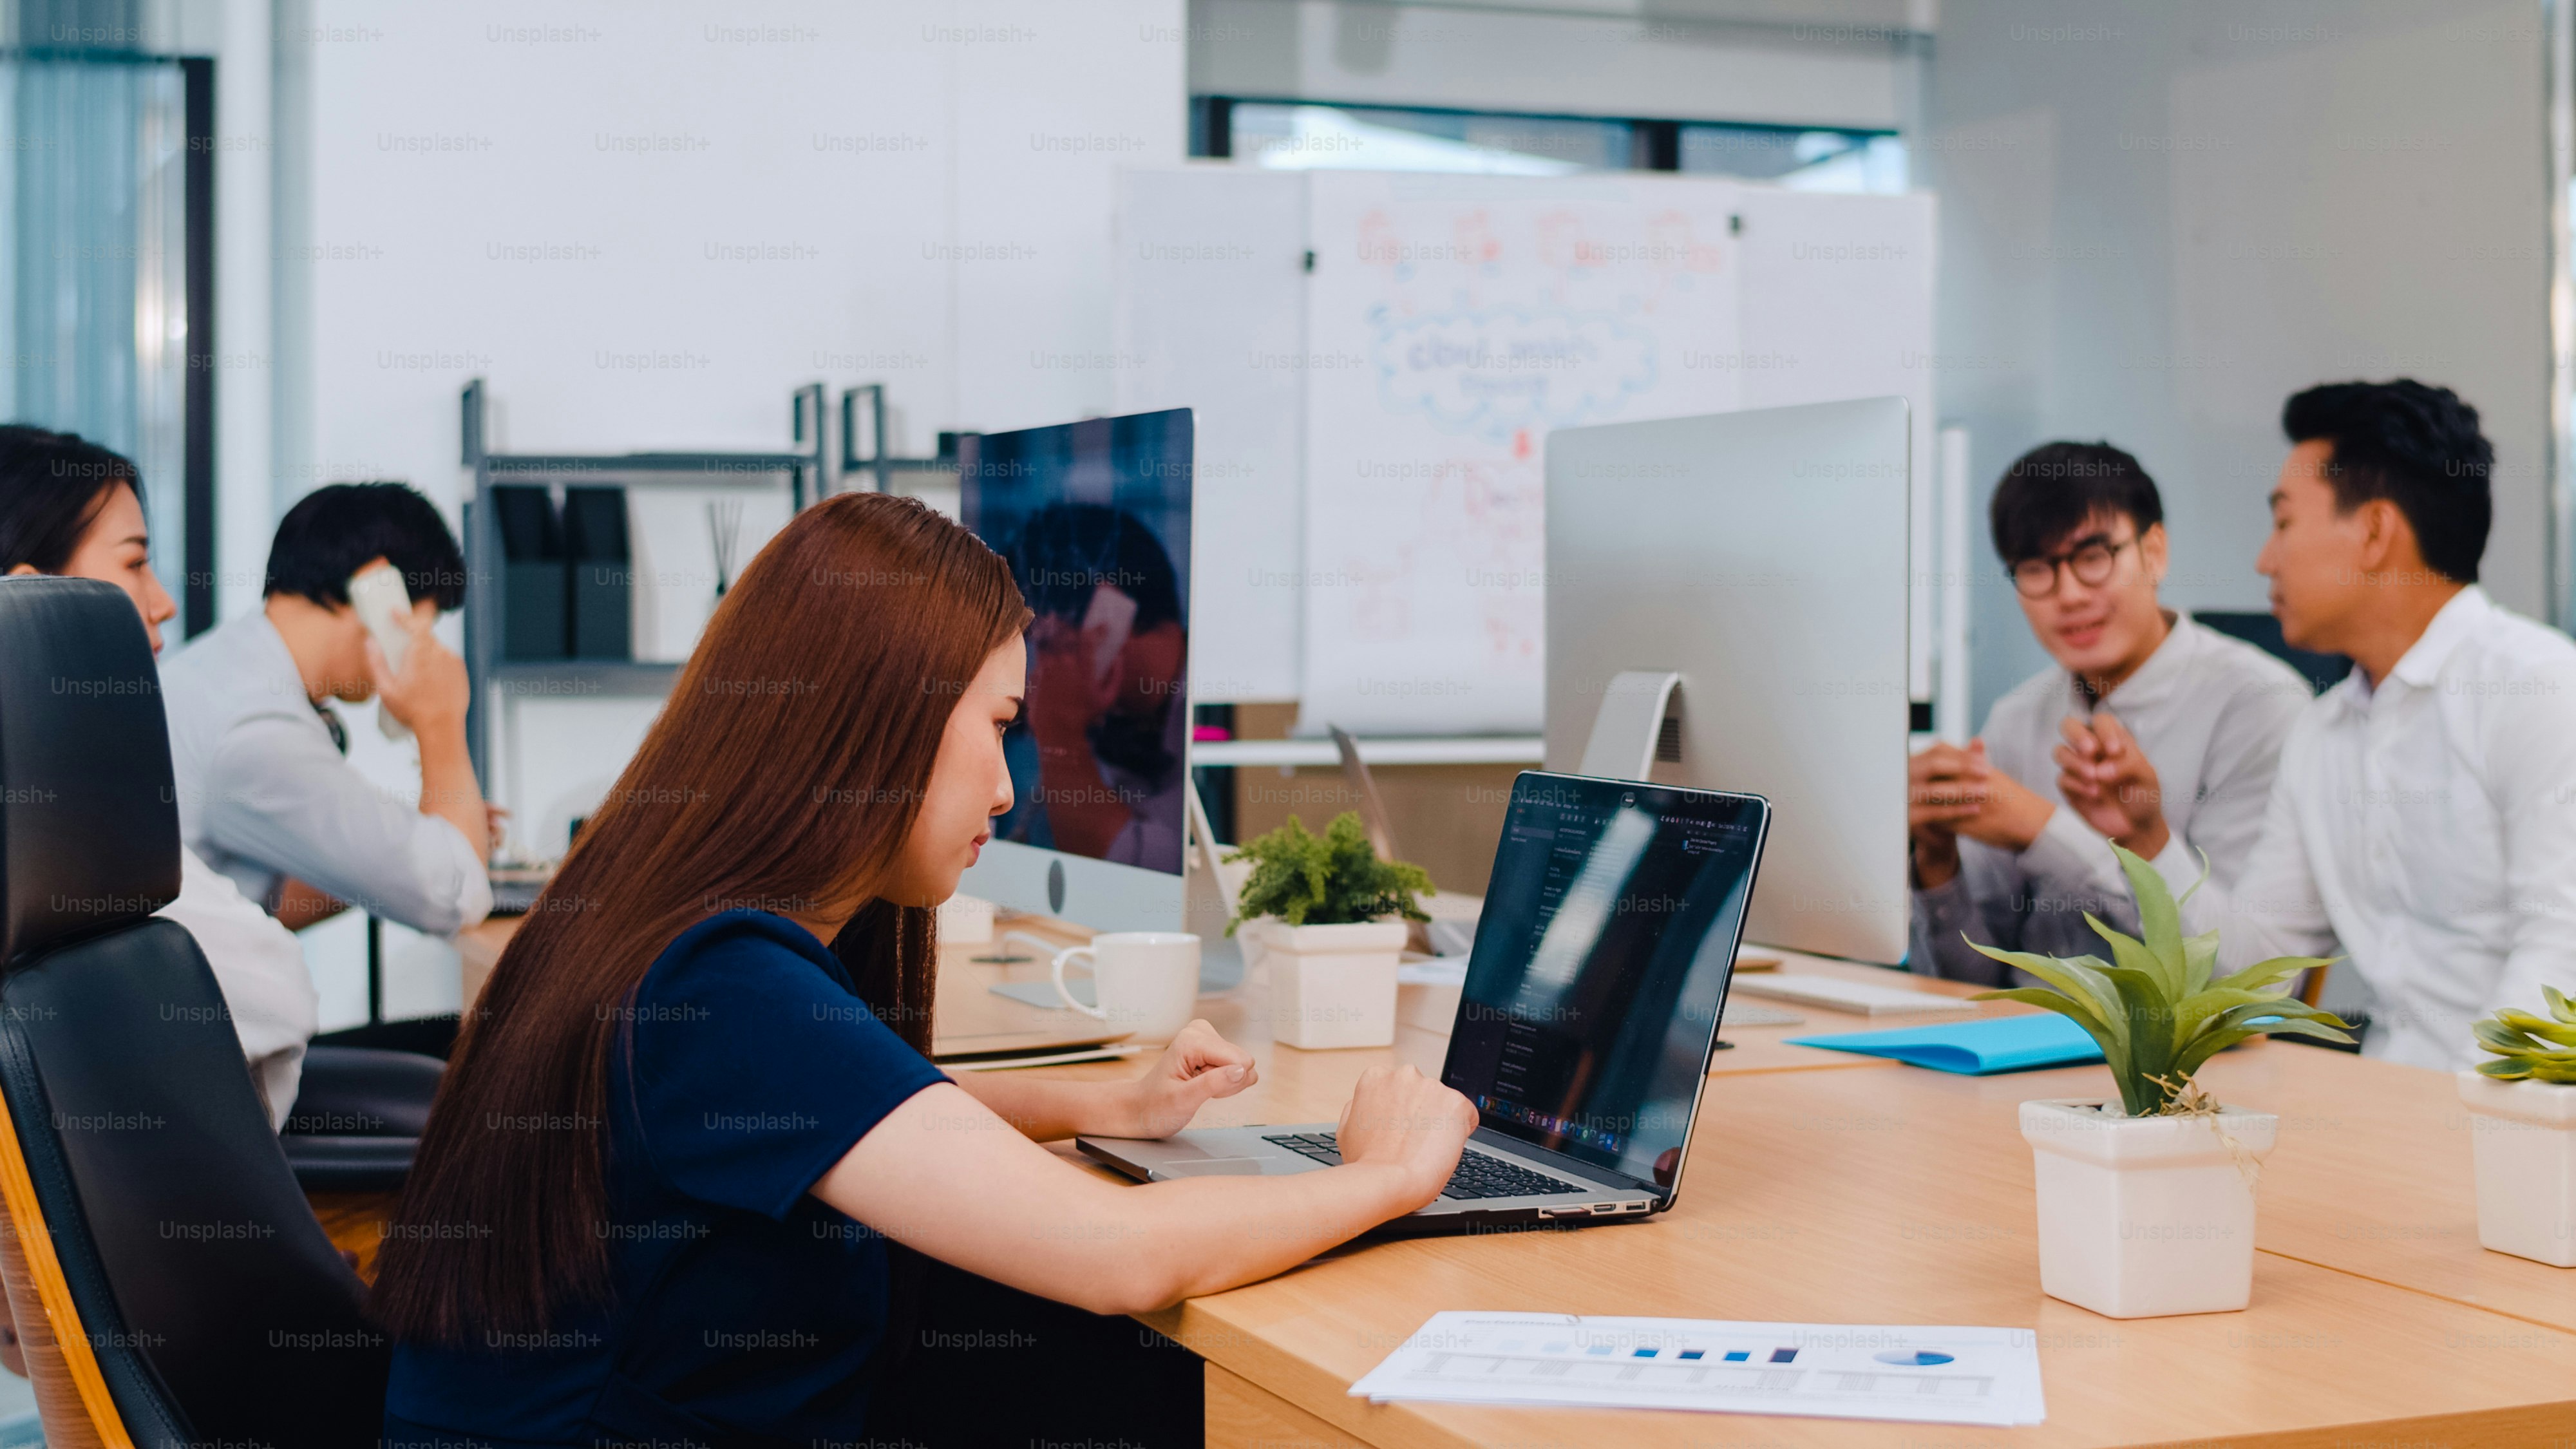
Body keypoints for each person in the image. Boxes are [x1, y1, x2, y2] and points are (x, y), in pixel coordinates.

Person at [371, 493, 1475, 1446]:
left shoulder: (673, 922)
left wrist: (1104, 1101)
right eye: (996, 728)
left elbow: (848, 1115)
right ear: (878, 722)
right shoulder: (731, 987)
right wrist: (1387, 1176)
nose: (1005, 790)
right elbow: (1117, 1257)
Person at [2155, 381, 2576, 1070]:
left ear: (2375, 531)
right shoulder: (2321, 734)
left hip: (2516, 1131)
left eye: (2284, 522)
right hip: (2388, 1109)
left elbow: (2560, 964)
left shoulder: (2539, 688)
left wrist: (2470, 1138)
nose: (2265, 559)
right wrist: (2144, 842)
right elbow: (2254, 976)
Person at [0, 426, 317, 1124]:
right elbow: (276, 991)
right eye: (136, 563)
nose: (164, 601)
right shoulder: (78, 814)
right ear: (33, 598)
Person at [1910, 442, 2307, 983]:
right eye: (2035, 569)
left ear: (2155, 552)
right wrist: (1937, 866)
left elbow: (2246, 981)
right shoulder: (2016, 716)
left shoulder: (2259, 706)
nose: (2068, 595)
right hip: (2019, 1054)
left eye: (2094, 558)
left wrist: (2044, 830)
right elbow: (1975, 984)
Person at [160, 482, 492, 935]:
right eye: (427, 627)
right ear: (379, 588)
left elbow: (261, 900)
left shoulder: (223, 671)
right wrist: (441, 722)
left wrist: (407, 849)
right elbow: (456, 898)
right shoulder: (258, 727)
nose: (426, 648)